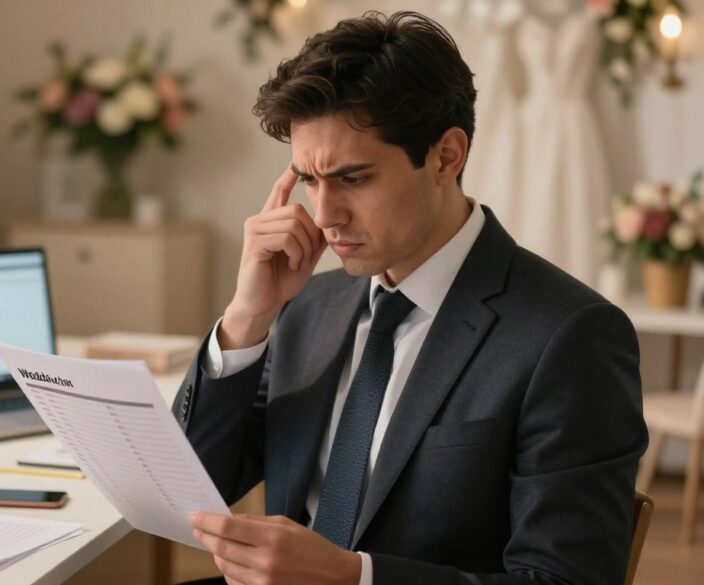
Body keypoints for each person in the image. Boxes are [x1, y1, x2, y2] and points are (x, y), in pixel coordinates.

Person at [173, 11, 647, 585]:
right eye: (309, 181)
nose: (323, 217)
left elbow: (566, 580)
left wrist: (353, 577)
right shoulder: (308, 308)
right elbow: (188, 490)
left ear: (446, 156)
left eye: (353, 178)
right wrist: (246, 318)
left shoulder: (570, 335)